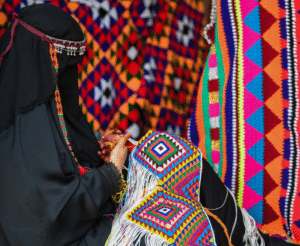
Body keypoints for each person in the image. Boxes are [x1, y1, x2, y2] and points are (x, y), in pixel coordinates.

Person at [0, 3, 129, 246]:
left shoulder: (38, 115)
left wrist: (102, 157)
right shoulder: (24, 129)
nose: (68, 77)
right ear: (47, 60)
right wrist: (110, 173)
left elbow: (63, 165)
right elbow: (49, 218)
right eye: (64, 65)